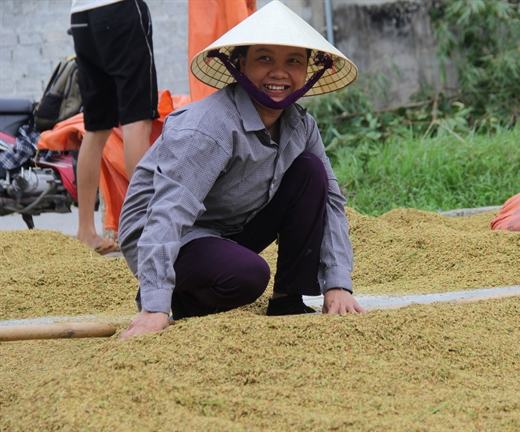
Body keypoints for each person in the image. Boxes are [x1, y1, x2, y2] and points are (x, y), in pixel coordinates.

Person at [118, 0, 365, 340]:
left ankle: (288, 299)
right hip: (166, 235)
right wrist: (154, 305)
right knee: (248, 276)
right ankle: (177, 296)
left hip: (229, 226)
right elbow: (168, 212)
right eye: (265, 59)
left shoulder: (301, 126)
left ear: (308, 71)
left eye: (293, 61)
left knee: (311, 172)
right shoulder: (207, 127)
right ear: (240, 65)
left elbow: (331, 204)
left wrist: (338, 285)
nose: (279, 73)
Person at [70, 0, 159, 254]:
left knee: (96, 128)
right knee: (137, 121)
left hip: (81, 16)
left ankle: (85, 231)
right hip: (119, 10)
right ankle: (143, 228)